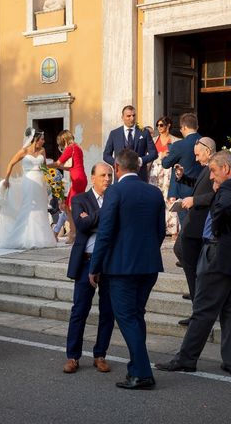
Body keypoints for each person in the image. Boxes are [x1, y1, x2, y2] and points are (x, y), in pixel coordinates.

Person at [156, 151, 231, 377]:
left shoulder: (227, 188)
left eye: (213, 171)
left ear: (225, 168)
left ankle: (186, 358)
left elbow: (223, 209)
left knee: (203, 309)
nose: (211, 177)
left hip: (218, 254)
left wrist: (217, 229)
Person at [89, 149, 165, 390]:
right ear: (138, 167)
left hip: (121, 267)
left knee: (126, 317)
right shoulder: (154, 192)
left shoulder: (115, 191)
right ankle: (136, 368)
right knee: (137, 315)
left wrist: (95, 266)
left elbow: (105, 232)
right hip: (149, 265)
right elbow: (160, 231)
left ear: (117, 168)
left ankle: (142, 373)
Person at [63, 162, 115, 374]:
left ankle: (100, 355)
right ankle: (73, 356)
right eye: (103, 175)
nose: (107, 179)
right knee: (80, 310)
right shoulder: (80, 199)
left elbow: (114, 227)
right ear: (92, 177)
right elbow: (81, 225)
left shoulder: (115, 197)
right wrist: (105, 216)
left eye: (110, 175)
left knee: (107, 312)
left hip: (108, 263)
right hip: (85, 261)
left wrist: (92, 218)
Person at [173, 136, 216, 326]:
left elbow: (216, 193)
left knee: (191, 269)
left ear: (208, 150)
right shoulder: (206, 169)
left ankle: (198, 311)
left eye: (198, 155)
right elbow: (201, 187)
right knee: (180, 251)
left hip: (198, 226)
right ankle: (198, 301)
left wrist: (194, 201)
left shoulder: (216, 167)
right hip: (193, 225)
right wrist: (184, 178)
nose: (197, 159)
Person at [0, 128, 56, 249]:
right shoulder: (23, 151)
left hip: (40, 182)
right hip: (28, 181)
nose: (44, 142)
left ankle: (41, 237)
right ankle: (24, 237)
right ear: (35, 140)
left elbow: (44, 167)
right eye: (42, 139)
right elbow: (11, 163)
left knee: (40, 207)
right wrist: (7, 179)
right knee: (28, 206)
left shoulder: (43, 151)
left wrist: (50, 180)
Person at [162, 113, 203, 224]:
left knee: (186, 227)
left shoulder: (179, 145)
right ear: (197, 127)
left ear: (184, 127)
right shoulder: (205, 141)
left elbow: (166, 164)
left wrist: (164, 156)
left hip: (184, 190)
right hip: (203, 189)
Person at [47, 130, 87, 243]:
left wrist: (46, 165)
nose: (60, 146)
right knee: (67, 207)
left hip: (77, 179)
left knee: (71, 207)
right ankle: (72, 233)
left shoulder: (70, 148)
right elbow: (70, 167)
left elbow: (58, 163)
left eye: (60, 143)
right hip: (80, 178)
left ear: (63, 140)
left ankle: (74, 233)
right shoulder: (77, 148)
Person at [103, 105, 157, 183]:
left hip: (140, 177)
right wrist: (117, 163)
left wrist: (140, 160)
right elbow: (106, 155)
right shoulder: (114, 134)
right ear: (122, 117)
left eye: (134, 115)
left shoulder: (144, 133)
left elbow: (154, 153)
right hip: (120, 177)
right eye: (128, 116)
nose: (132, 118)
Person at [148, 116, 181, 237]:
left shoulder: (176, 141)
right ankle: (155, 227)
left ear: (168, 126)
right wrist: (159, 155)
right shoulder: (153, 140)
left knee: (170, 198)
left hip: (169, 171)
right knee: (155, 198)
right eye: (158, 125)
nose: (159, 128)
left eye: (161, 125)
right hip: (155, 171)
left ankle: (173, 230)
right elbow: (149, 156)